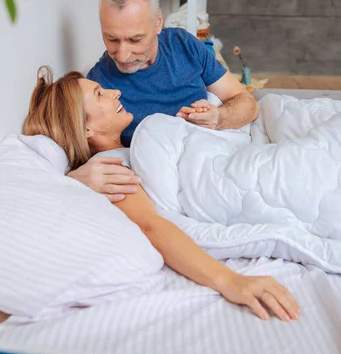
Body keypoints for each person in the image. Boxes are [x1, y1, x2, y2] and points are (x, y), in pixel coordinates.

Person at [22, 66, 300, 323]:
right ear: (86, 128)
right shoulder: (111, 168)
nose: (115, 92)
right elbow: (151, 226)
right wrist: (230, 281)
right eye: (99, 94)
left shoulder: (132, 149)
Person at [70, 0, 259, 203]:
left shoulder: (183, 45)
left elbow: (247, 102)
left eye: (135, 39)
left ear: (158, 22)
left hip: (225, 158)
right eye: (111, 39)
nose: (122, 54)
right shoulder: (100, 85)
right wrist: (76, 179)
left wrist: (218, 117)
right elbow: (81, 152)